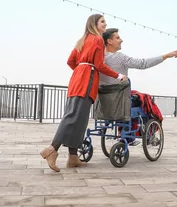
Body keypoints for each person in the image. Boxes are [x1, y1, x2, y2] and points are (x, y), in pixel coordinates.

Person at [40, 14, 127, 172]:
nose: (105, 24)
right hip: (86, 81)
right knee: (74, 117)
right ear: (94, 24)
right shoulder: (98, 39)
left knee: (79, 119)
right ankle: (52, 149)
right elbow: (99, 65)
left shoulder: (81, 40)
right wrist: (118, 75)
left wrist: (81, 69)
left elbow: (70, 61)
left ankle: (73, 157)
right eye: (102, 21)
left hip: (76, 80)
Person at [99, 28, 177, 145]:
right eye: (117, 38)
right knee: (146, 103)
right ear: (109, 41)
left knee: (135, 98)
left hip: (104, 102)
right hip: (120, 101)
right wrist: (166, 56)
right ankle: (148, 136)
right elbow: (143, 64)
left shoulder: (98, 58)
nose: (121, 40)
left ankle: (127, 133)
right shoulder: (119, 58)